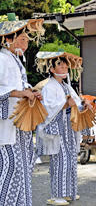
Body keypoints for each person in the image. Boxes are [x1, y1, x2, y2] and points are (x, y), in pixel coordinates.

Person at [0, 14, 44, 206]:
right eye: (22, 39)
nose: (26, 44)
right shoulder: (2, 58)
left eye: (27, 40)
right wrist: (20, 93)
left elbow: (20, 88)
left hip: (20, 123)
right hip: (7, 125)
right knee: (10, 167)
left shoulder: (15, 61)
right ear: (8, 39)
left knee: (24, 167)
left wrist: (31, 92)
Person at [35, 51, 88, 205]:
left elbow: (76, 103)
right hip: (57, 129)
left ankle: (69, 192)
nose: (64, 68)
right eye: (60, 65)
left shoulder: (67, 86)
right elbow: (48, 109)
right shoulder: (49, 87)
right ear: (52, 69)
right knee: (60, 160)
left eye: (65, 66)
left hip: (69, 128)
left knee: (71, 159)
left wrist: (82, 104)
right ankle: (57, 195)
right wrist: (65, 104)